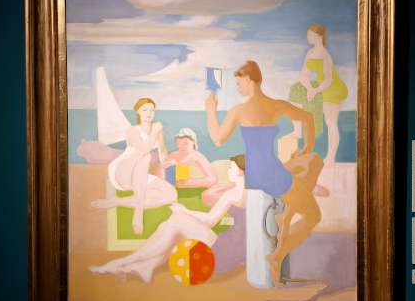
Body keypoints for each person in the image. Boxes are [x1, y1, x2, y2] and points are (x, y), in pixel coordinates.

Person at [204, 60, 323, 284]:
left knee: (307, 179)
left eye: (239, 82)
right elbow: (308, 118)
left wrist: (210, 111)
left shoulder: (238, 111)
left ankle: (279, 244)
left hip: (257, 174)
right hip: (272, 173)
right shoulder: (276, 106)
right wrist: (306, 148)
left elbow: (217, 139)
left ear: (249, 79)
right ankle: (278, 252)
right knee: (313, 215)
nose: (238, 86)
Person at [89, 156, 248, 283]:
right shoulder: (250, 192)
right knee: (173, 228)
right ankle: (145, 267)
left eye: (231, 168)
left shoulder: (233, 193)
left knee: (177, 220)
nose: (228, 171)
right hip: (238, 251)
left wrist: (185, 211)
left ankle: (125, 261)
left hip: (224, 252)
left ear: (241, 172)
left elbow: (210, 220)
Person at [93, 98, 177, 234]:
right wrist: (155, 131)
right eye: (145, 110)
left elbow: (162, 152)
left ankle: (117, 201)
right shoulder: (132, 130)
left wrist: (167, 160)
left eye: (152, 110)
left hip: (139, 175)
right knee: (146, 156)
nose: (149, 113)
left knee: (171, 195)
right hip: (123, 172)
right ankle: (138, 213)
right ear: (138, 111)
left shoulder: (157, 130)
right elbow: (144, 150)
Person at [289, 25, 348, 165]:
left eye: (310, 35)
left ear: (319, 37)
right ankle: (297, 130)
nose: (307, 37)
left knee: (331, 122)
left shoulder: (325, 54)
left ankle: (331, 157)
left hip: (332, 88)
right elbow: (303, 75)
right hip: (318, 85)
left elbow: (329, 79)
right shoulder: (310, 53)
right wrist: (309, 88)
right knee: (295, 90)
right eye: (308, 35)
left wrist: (315, 91)